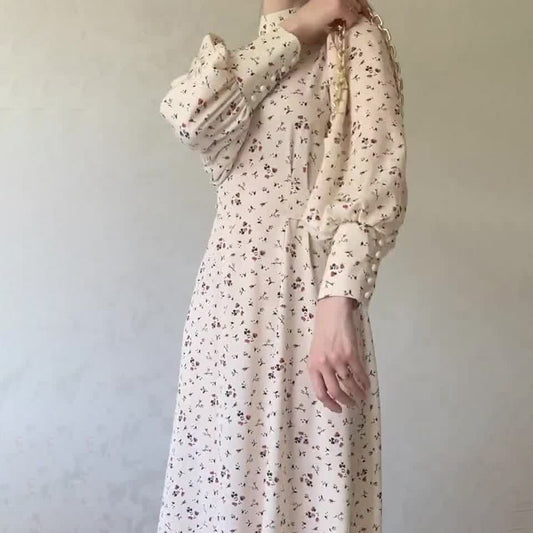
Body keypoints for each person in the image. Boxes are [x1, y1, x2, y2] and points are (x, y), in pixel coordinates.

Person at [157, 0, 407, 530]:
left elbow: (373, 176)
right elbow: (190, 118)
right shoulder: (249, 57)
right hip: (224, 315)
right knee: (223, 492)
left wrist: (337, 305)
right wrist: (295, 29)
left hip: (304, 306)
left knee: (307, 491)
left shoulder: (353, 39)